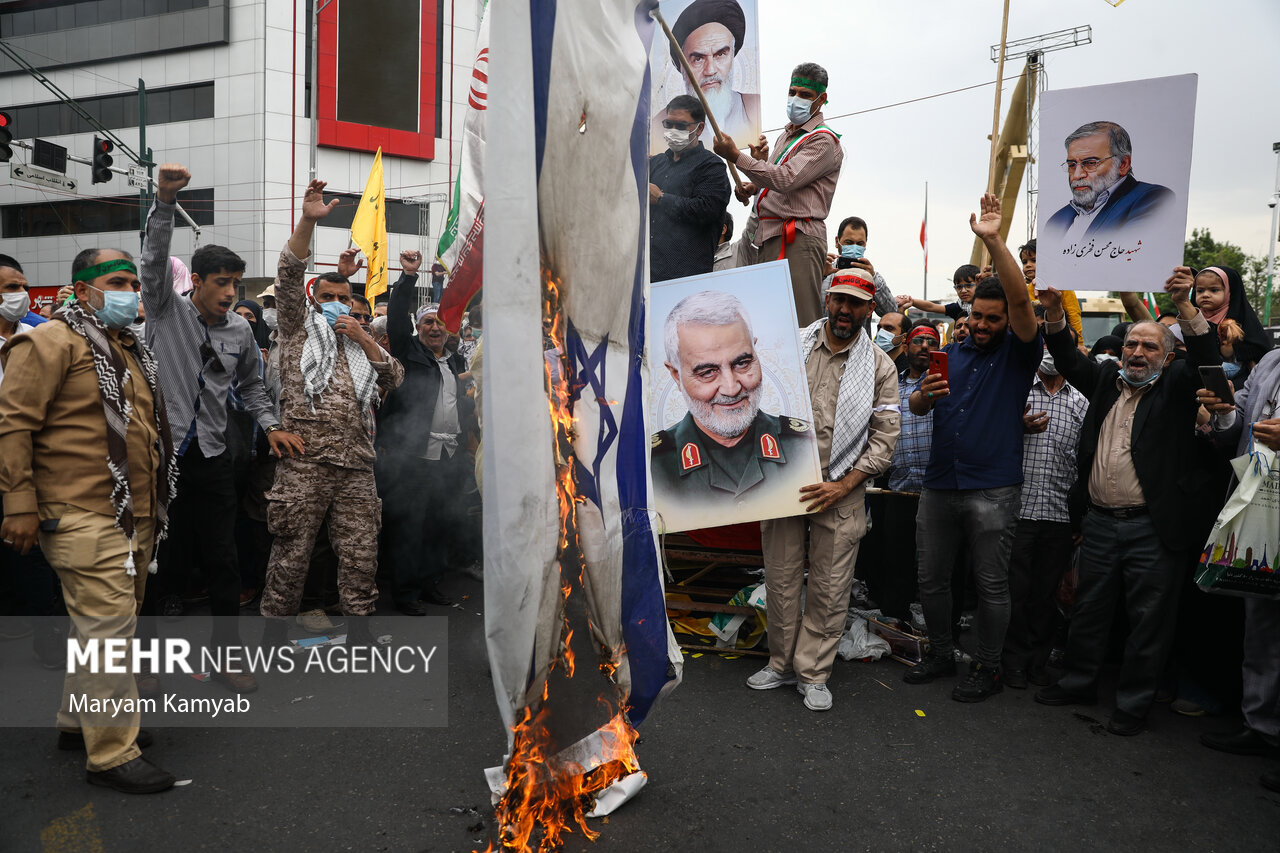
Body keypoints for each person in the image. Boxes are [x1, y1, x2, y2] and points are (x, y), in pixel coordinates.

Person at [0, 247, 178, 793]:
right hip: (81, 512)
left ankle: (79, 723)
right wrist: (19, 505)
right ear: (82, 291)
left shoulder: (126, 348)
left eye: (134, 282)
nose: (132, 292)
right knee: (108, 635)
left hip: (134, 514)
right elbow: (13, 425)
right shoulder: (47, 341)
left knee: (98, 628)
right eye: (119, 281)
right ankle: (111, 754)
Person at [1033, 268, 1221, 736]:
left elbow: (1206, 356)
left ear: (1169, 355)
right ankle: (1079, 683)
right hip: (1098, 524)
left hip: (1152, 529)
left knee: (1148, 621)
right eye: (1131, 345)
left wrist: (1184, 303)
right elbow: (1064, 356)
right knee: (1090, 609)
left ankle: (1133, 704)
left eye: (1149, 346)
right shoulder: (1104, 382)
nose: (1136, 353)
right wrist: (1055, 310)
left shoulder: (1178, 388)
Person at [140, 166, 292, 693]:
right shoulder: (165, 312)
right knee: (157, 560)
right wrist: (164, 201)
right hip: (157, 455)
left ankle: (228, 657)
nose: (230, 293)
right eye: (221, 282)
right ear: (198, 283)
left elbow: (251, 388)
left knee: (224, 559)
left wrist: (270, 424)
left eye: (236, 283)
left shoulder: (242, 333)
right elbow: (153, 261)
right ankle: (146, 663)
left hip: (210, 456)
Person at [903, 193, 1042, 702]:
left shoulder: (1020, 352)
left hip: (993, 488)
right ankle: (940, 654)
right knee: (932, 580)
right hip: (939, 485)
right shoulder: (948, 356)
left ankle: (987, 667)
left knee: (990, 585)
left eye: (992, 318)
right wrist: (921, 395)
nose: (982, 325)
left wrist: (993, 239)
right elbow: (918, 410)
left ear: (1008, 320)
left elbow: (1023, 301)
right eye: (977, 317)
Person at [746, 268, 900, 711]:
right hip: (783, 483)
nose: (845, 310)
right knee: (780, 578)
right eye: (839, 300)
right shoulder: (788, 346)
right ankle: (780, 664)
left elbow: (885, 438)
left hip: (844, 487)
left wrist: (844, 485)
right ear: (826, 300)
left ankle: (813, 673)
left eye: (856, 303)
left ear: (870, 309)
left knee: (831, 587)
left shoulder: (880, 366)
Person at [258, 180, 404, 647]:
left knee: (361, 552)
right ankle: (274, 634)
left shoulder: (364, 345)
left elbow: (395, 379)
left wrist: (363, 337)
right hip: (305, 463)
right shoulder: (298, 330)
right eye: (327, 297)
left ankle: (359, 629)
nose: (336, 303)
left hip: (356, 465)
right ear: (313, 300)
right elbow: (286, 274)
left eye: (345, 296)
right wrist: (308, 222)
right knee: (291, 552)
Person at [1199, 345, 1280, 793]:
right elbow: (1237, 418)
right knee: (1261, 622)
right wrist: (1222, 407)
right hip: (1259, 504)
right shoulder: (1271, 359)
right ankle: (1261, 725)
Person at [376, 251, 472, 615]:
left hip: (448, 459)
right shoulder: (407, 351)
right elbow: (397, 318)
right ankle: (405, 593)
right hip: (412, 457)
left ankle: (431, 583)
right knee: (409, 529)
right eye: (428, 322)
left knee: (439, 523)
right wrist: (408, 277)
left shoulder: (456, 360)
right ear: (419, 328)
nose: (435, 328)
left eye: (441, 323)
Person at [652, 290, 813, 506]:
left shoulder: (803, 448)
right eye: (707, 372)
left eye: (742, 363)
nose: (731, 388)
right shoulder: (651, 466)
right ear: (676, 375)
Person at [713, 62, 842, 326]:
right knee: (773, 323)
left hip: (799, 239)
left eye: (805, 95)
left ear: (822, 99)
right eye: (793, 92)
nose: (796, 99)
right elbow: (774, 181)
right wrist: (754, 185)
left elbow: (785, 179)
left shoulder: (823, 140)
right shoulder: (787, 135)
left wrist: (737, 157)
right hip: (769, 237)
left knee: (800, 325)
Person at [1003, 347, 1087, 688]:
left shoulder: (1082, 401)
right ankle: (1011, 662)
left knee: (1046, 594)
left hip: (1059, 514)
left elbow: (1086, 460)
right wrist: (1015, 426)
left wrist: (1080, 516)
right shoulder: (1017, 389)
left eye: (1058, 348)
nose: (1051, 355)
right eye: (1046, 347)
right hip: (1016, 510)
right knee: (1013, 592)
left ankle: (1037, 663)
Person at [862, 321, 939, 620]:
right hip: (898, 487)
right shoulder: (891, 384)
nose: (924, 348)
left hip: (937, 491)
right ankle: (894, 620)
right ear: (906, 346)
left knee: (936, 564)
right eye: (918, 341)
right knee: (895, 559)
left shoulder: (946, 384)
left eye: (931, 342)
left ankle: (940, 627)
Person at [652, 0, 758, 152]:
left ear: (733, 55)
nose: (710, 70)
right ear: (681, 66)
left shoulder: (753, 108)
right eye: (698, 59)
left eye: (720, 54)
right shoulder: (659, 127)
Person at [1044, 121, 1174, 242]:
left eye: (1090, 163)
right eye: (1072, 165)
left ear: (1123, 164)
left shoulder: (1151, 200)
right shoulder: (1056, 221)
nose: (1077, 175)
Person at [649, 95, 731, 283]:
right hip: (649, 276)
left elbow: (707, 209)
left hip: (686, 278)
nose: (673, 131)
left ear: (699, 128)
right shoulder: (655, 164)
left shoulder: (712, 166)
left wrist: (661, 198)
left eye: (681, 126)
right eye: (669, 124)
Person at [1192, 265, 1272, 386]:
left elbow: (1259, 350)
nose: (1205, 295)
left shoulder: (1241, 317)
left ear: (1229, 292)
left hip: (1239, 380)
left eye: (1214, 290)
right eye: (1200, 290)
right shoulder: (1192, 316)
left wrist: (1234, 349)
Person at [1018, 238, 1083, 342]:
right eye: (1024, 262)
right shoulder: (1024, 290)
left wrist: (1078, 343)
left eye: (1034, 260)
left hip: (1059, 340)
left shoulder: (1061, 286)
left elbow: (1073, 314)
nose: (1028, 265)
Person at [898, 264, 978, 321]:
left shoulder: (988, 304)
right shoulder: (958, 308)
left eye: (968, 285)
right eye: (959, 287)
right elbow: (931, 307)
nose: (963, 290)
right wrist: (912, 301)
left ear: (979, 284)